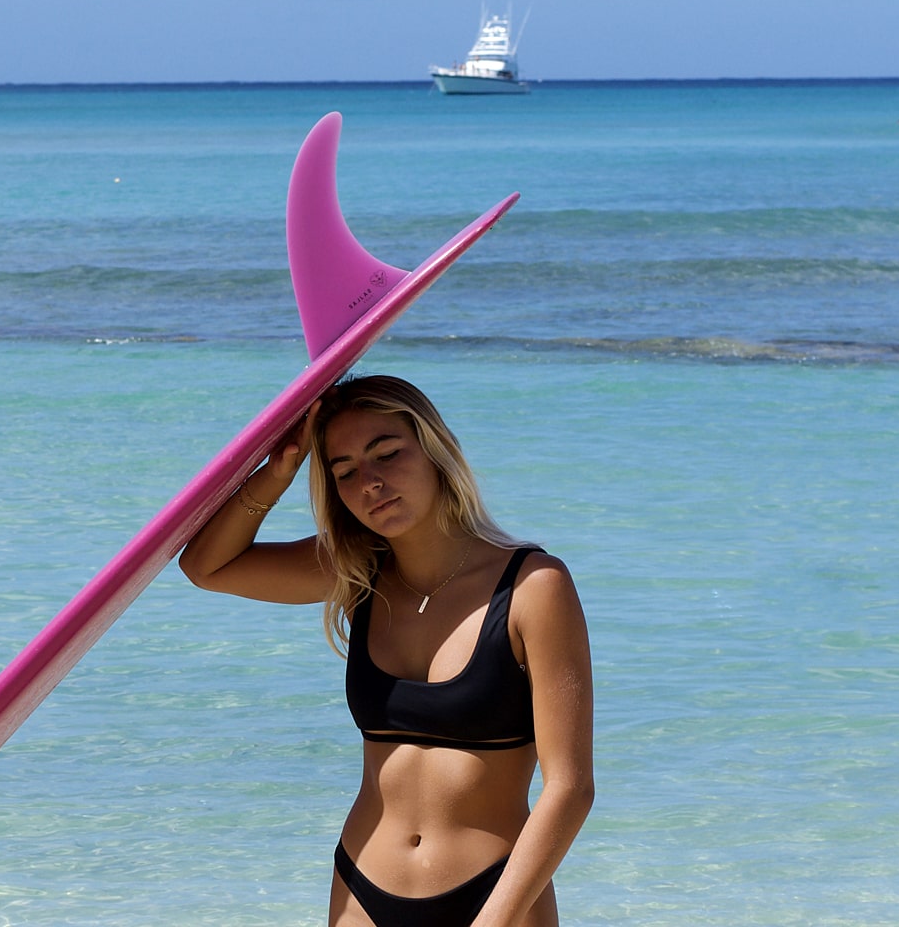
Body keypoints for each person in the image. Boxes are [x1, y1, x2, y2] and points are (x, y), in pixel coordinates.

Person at [179, 375, 594, 927]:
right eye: (344, 471)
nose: (370, 483)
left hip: (496, 895)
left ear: (435, 450)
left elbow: (570, 787)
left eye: (388, 454)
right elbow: (204, 566)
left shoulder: (533, 587)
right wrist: (280, 466)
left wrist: (494, 922)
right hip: (361, 889)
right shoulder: (357, 573)